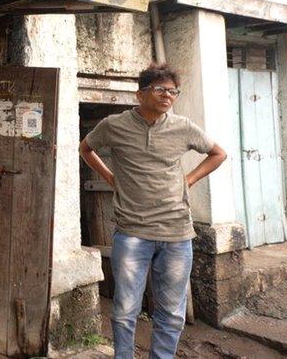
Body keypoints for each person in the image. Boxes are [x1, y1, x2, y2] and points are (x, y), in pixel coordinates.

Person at [79, 64, 227, 359]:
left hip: (177, 233)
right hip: (132, 232)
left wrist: (189, 180)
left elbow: (218, 153)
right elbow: (86, 148)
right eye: (160, 89)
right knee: (125, 309)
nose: (167, 95)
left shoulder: (183, 127)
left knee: (172, 313)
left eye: (173, 91)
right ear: (140, 94)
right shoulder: (114, 125)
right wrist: (110, 177)